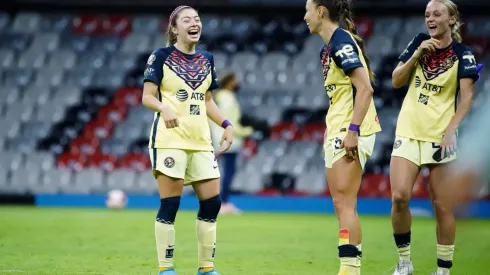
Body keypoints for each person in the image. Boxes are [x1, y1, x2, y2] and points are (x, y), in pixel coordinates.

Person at [141, 5, 233, 275]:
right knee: (171, 204)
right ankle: (166, 268)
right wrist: (163, 107)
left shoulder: (207, 59)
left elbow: (207, 101)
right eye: (187, 20)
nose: (194, 23)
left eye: (197, 19)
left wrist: (226, 124)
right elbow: (147, 96)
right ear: (174, 28)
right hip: (170, 141)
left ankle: (206, 268)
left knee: (212, 203)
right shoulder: (160, 57)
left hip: (201, 142)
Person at [390, 1, 480, 274]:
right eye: (427, 14)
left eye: (437, 14)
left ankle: (443, 270)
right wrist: (416, 54)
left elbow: (466, 100)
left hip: (440, 137)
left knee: (442, 204)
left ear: (452, 20)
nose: (430, 18)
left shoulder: (463, 54)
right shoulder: (418, 43)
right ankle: (404, 263)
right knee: (399, 197)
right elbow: (396, 80)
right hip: (408, 131)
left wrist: (451, 129)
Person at [304, 0, 382, 274]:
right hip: (338, 126)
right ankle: (349, 266)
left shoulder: (341, 43)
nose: (305, 17)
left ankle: (349, 268)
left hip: (349, 129)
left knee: (345, 201)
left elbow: (365, 89)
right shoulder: (330, 47)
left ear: (321, 11)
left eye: (308, 10)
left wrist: (353, 130)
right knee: (341, 201)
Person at [211, 72, 254, 214]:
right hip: (230, 140)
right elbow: (232, 123)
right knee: (229, 171)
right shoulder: (228, 98)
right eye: (235, 80)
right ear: (230, 82)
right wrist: (249, 131)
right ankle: (223, 203)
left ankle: (217, 202)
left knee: (218, 171)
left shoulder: (216, 97)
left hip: (217, 138)